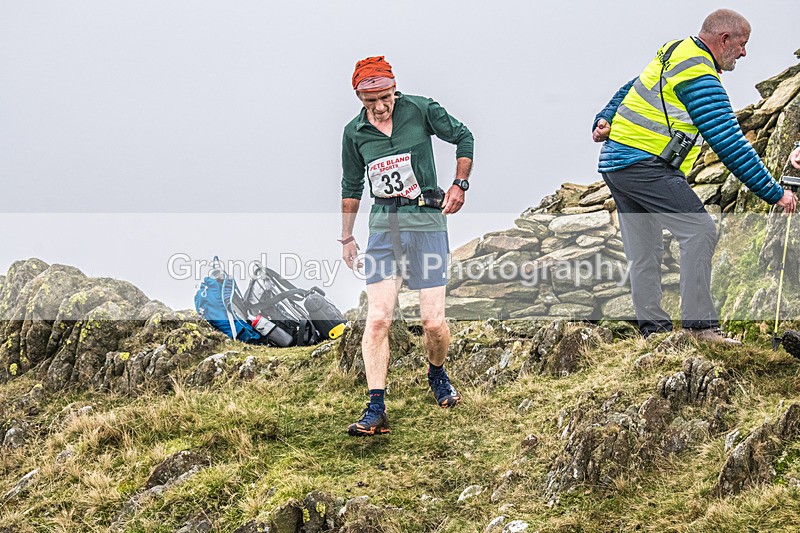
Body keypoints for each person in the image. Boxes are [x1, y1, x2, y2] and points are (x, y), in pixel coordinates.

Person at [591, 9, 797, 344]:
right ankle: (701, 328)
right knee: (699, 231)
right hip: (645, 164)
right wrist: (775, 193)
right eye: (742, 44)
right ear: (724, 39)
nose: (744, 53)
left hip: (618, 163)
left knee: (644, 251)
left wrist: (605, 115)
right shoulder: (698, 74)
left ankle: (655, 335)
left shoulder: (675, 50)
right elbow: (729, 142)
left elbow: (634, 84)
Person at [340, 56, 474, 436]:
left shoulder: (420, 109)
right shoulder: (354, 133)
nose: (380, 107)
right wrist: (348, 237)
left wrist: (459, 184)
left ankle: (436, 372)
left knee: (432, 323)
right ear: (359, 99)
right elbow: (351, 187)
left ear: (394, 89)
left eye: (385, 97)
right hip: (384, 229)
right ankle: (376, 407)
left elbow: (464, 136)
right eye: (371, 102)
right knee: (379, 318)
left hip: (427, 222)